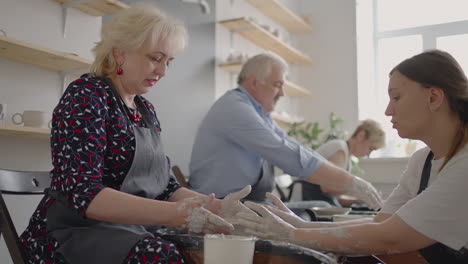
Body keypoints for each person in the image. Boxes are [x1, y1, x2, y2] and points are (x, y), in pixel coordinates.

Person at [19, 4, 251, 264]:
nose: (163, 72)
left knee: (210, 248)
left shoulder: (145, 109)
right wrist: (176, 214)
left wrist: (216, 206)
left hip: (126, 229)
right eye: (155, 58)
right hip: (72, 234)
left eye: (169, 62)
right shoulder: (86, 96)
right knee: (165, 256)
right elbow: (84, 193)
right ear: (120, 53)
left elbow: (165, 187)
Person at [237, 49, 468, 263]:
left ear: (434, 98)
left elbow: (390, 237)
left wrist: (294, 234)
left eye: (396, 97)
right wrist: (298, 226)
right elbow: (381, 223)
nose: (388, 110)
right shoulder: (421, 161)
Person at [188, 52, 382, 210]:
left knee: (318, 209)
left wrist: (353, 182)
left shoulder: (259, 114)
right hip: (221, 205)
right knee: (315, 217)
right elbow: (287, 154)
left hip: (249, 203)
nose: (282, 93)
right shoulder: (235, 108)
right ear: (255, 83)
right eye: (277, 85)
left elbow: (293, 146)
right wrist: (352, 183)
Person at [302, 119, 385, 207]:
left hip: (318, 200)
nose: (368, 155)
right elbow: (327, 187)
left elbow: (337, 198)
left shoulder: (347, 158)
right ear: (361, 135)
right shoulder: (339, 148)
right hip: (308, 198)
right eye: (371, 148)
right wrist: (358, 190)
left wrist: (361, 200)